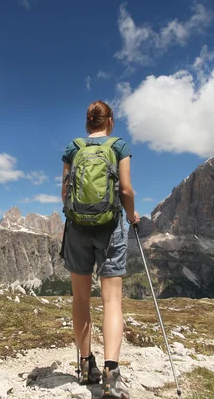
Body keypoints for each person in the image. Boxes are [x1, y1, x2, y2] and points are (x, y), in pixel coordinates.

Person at [61, 100, 139, 399]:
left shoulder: (73, 148)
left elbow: (65, 191)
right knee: (112, 301)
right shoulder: (119, 145)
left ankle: (84, 366)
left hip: (77, 228)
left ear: (87, 122)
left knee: (80, 298)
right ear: (111, 121)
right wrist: (131, 216)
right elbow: (126, 190)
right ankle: (110, 375)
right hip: (110, 229)